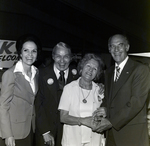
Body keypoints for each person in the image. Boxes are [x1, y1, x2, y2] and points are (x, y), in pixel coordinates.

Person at [93, 34, 150, 146]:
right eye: (112, 46)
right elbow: (110, 99)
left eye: (120, 45)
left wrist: (111, 122)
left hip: (131, 135)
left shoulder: (140, 70)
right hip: (111, 135)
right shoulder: (108, 72)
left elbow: (136, 103)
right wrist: (103, 109)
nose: (116, 50)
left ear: (127, 47)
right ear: (109, 49)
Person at [0, 34, 41, 146]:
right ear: (20, 53)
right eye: (26, 50)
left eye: (34, 51)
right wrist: (8, 134)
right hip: (13, 132)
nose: (30, 54)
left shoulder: (36, 73)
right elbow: (3, 106)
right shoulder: (10, 74)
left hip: (29, 129)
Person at [35, 42, 79, 146]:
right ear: (53, 56)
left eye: (66, 56)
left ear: (71, 57)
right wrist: (45, 131)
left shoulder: (78, 76)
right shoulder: (41, 74)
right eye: (58, 56)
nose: (62, 61)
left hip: (70, 131)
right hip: (46, 132)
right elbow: (37, 105)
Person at [58, 53, 106, 146]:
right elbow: (63, 117)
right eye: (88, 66)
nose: (90, 70)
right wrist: (83, 121)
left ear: (97, 73)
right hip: (73, 140)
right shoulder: (69, 88)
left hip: (94, 140)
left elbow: (106, 114)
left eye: (94, 69)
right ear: (82, 67)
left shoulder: (99, 90)